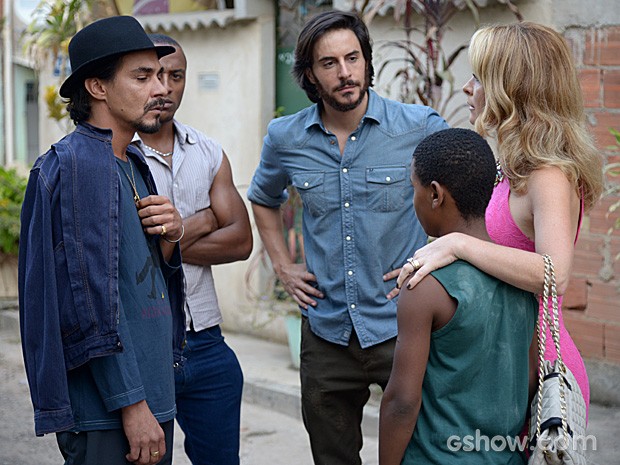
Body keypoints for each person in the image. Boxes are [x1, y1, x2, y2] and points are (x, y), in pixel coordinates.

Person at [247, 10, 448, 465]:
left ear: (367, 61)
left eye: (353, 58)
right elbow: (263, 198)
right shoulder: (285, 137)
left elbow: (468, 199)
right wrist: (282, 264)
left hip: (404, 325)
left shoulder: (420, 127)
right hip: (325, 329)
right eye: (329, 63)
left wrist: (439, 258)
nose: (345, 73)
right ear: (310, 75)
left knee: (420, 454)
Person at [397, 22, 604, 419]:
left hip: (539, 375)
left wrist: (458, 244)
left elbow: (555, 274)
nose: (466, 88)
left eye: (478, 78)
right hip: (505, 365)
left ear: (511, 88)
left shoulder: (548, 176)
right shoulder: (514, 167)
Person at [18, 16, 187, 465]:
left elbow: (136, 277)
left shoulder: (132, 159)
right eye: (142, 76)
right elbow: (85, 302)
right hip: (108, 412)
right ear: (97, 87)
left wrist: (171, 235)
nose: (161, 89)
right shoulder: (76, 166)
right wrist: (130, 404)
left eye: (162, 75)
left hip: (150, 395)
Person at [379, 128, 538, 465]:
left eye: (414, 189)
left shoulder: (424, 284)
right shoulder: (522, 275)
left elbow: (402, 402)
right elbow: (528, 379)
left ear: (435, 194)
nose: (414, 199)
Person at [133, 34, 252, 465]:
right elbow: (135, 260)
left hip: (206, 341)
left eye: (175, 76)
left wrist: (174, 233)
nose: (163, 88)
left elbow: (241, 240)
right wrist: (205, 220)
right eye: (152, 75)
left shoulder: (207, 152)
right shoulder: (116, 154)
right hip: (143, 347)